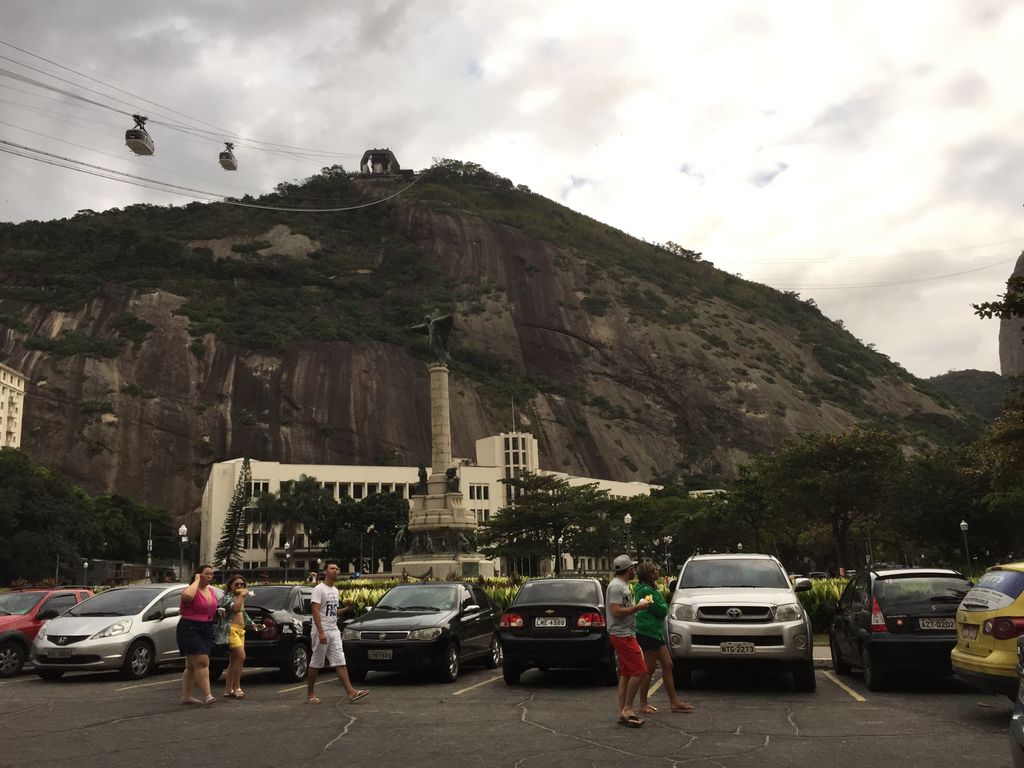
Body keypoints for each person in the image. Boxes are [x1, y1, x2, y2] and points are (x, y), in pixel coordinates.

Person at [633, 561, 694, 714]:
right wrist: (663, 606)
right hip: (648, 632)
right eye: (655, 570)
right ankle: (643, 703)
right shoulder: (645, 591)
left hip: (656, 632)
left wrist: (663, 606)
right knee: (649, 669)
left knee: (667, 664)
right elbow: (661, 609)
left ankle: (674, 702)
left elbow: (662, 606)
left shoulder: (651, 590)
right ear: (649, 574)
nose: (657, 572)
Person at [305, 561, 368, 705]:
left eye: (337, 569)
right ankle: (310, 694)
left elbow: (333, 612)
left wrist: (347, 608)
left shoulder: (335, 590)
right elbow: (315, 610)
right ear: (325, 572)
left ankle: (351, 692)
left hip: (334, 630)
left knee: (340, 661)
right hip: (322, 630)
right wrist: (321, 632)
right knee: (316, 663)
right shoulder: (319, 589)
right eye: (332, 568)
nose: (335, 571)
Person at [606, 554, 653, 728]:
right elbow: (616, 611)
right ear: (629, 569)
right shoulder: (616, 586)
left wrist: (637, 607)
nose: (635, 570)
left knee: (626, 673)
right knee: (640, 671)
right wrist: (638, 607)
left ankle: (623, 711)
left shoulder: (622, 585)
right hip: (621, 633)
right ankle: (627, 708)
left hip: (626, 632)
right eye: (633, 567)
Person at [177, 564, 218, 705]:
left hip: (206, 627)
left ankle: (186, 697)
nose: (210, 576)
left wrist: (218, 612)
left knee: (191, 665)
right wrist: (196, 581)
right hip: (190, 627)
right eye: (207, 573)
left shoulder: (210, 590)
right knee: (202, 661)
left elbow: (209, 608)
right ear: (199, 575)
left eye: (211, 574)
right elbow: (187, 597)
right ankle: (208, 695)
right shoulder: (191, 589)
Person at [215, 573, 255, 699]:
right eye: (236, 584)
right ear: (230, 585)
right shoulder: (228, 597)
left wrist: (253, 625)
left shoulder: (238, 598)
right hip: (231, 630)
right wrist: (242, 596)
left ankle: (228, 689)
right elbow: (236, 609)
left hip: (240, 630)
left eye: (242, 584)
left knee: (234, 660)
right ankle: (237, 688)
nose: (239, 586)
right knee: (241, 656)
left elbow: (243, 613)